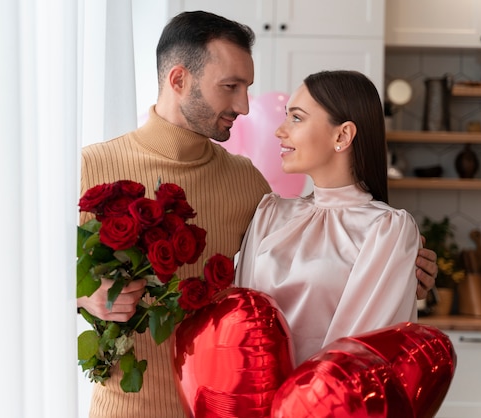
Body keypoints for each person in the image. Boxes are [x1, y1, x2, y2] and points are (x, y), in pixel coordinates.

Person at [77, 11, 437, 418]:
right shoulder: (90, 169)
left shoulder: (247, 183)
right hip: (129, 408)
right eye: (230, 86)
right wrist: (84, 295)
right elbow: (19, 282)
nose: (245, 106)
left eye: (247, 87)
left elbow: (319, 270)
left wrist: (408, 268)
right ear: (179, 80)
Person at [235, 70, 422, 366]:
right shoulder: (269, 214)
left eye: (296, 117)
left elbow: (360, 354)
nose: (279, 130)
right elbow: (242, 327)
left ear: (342, 135)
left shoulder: (387, 230)